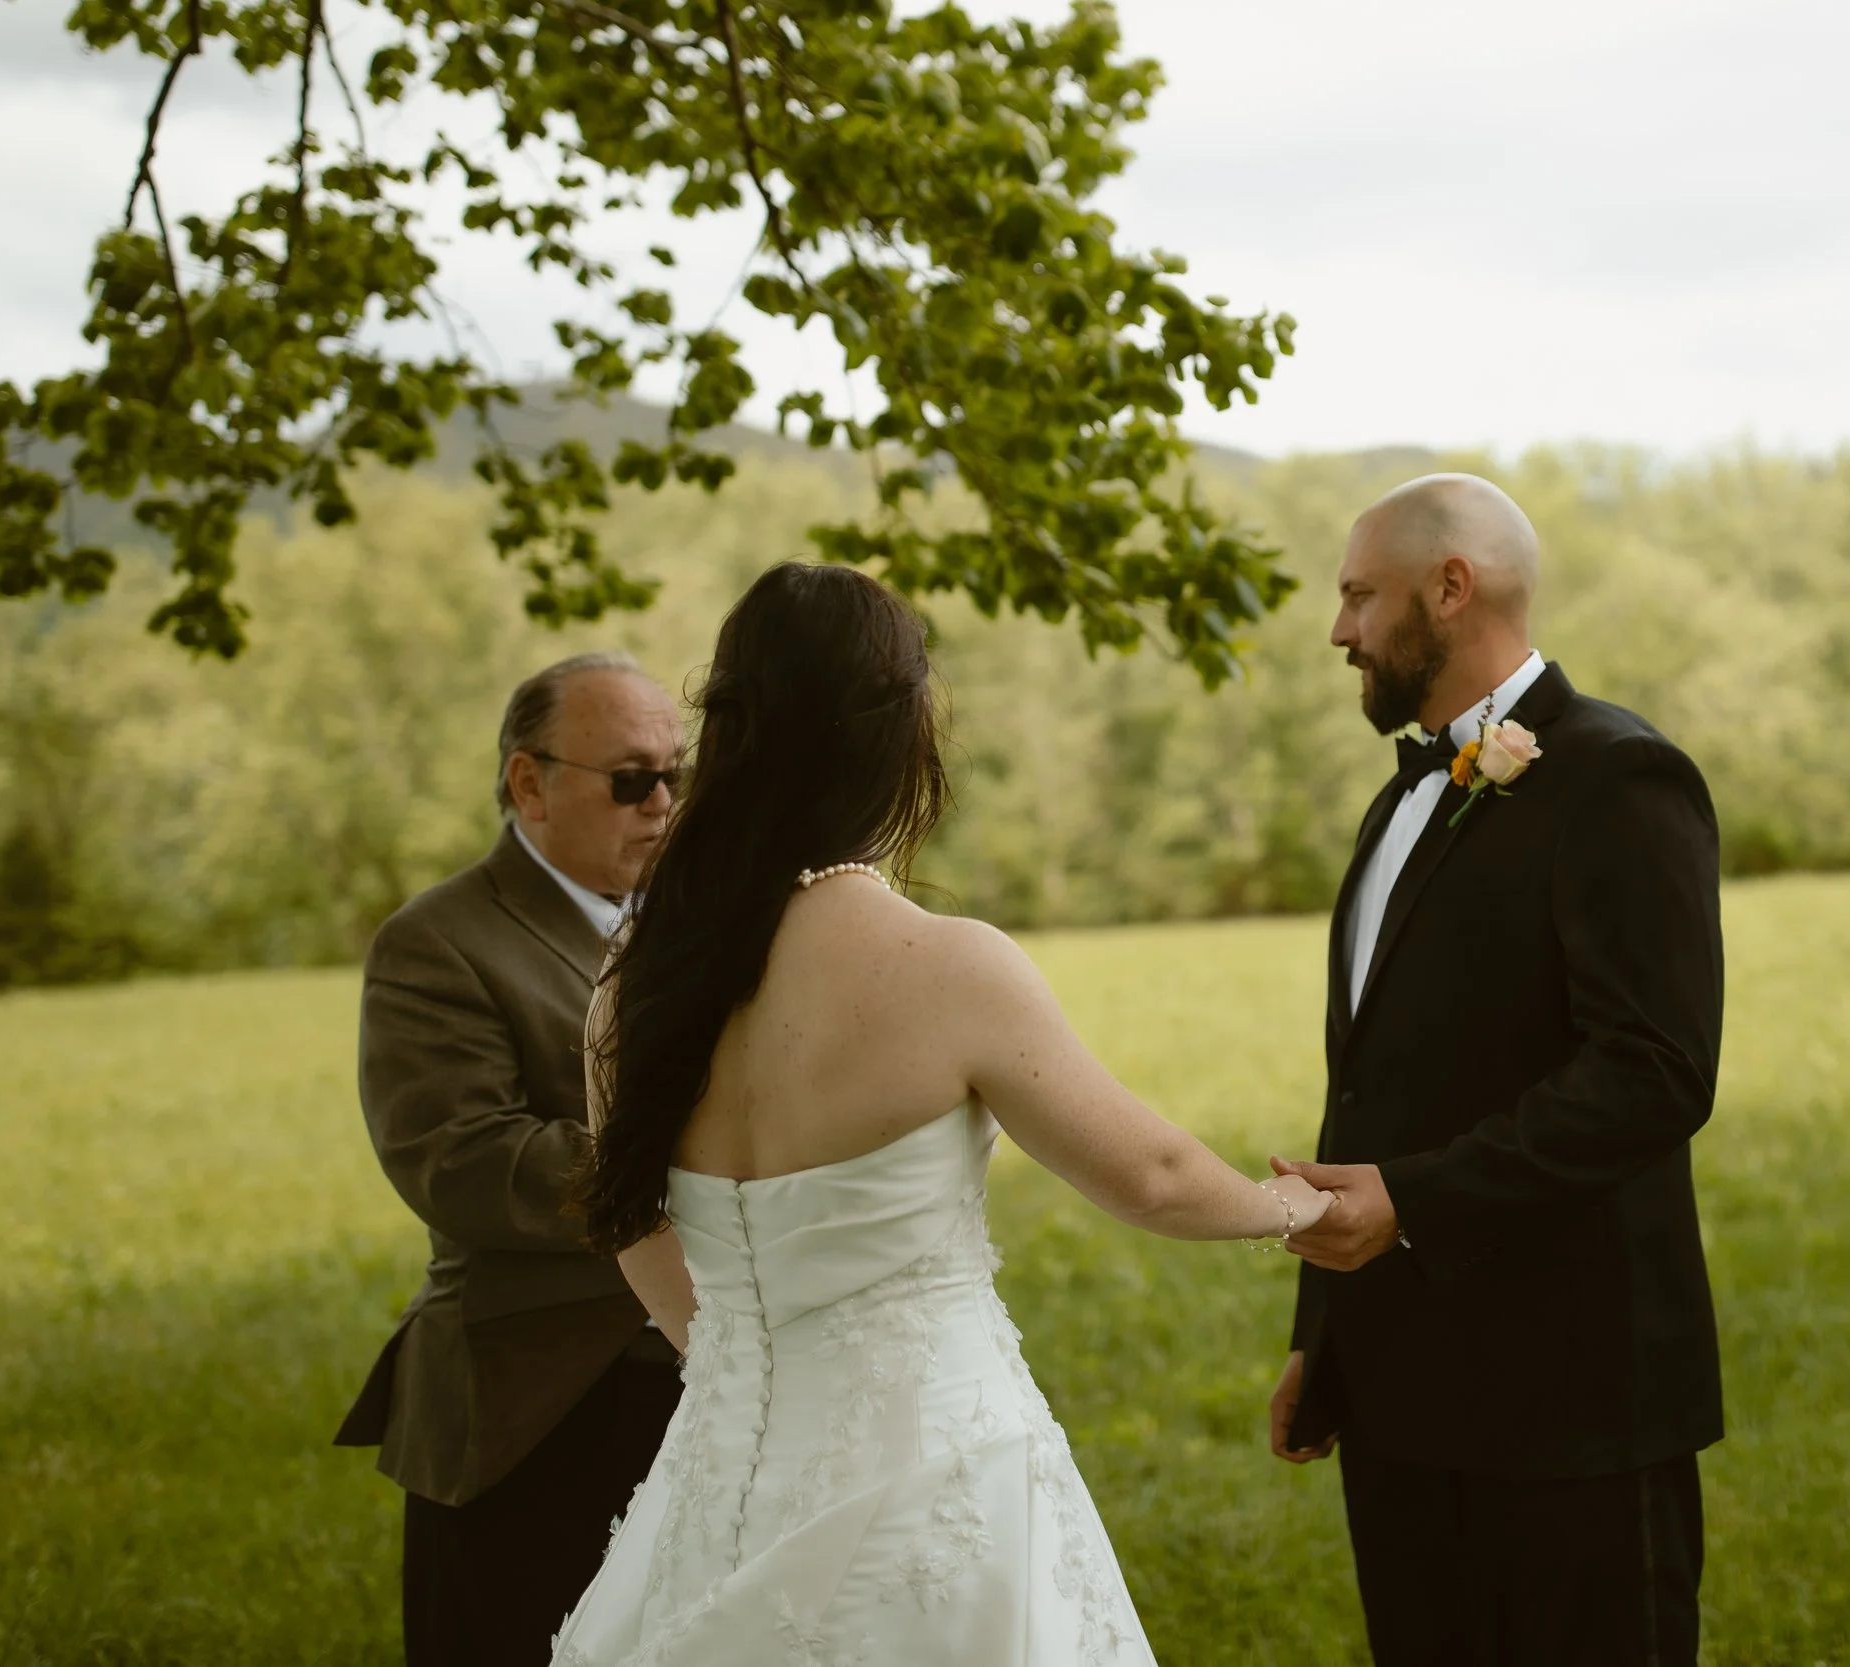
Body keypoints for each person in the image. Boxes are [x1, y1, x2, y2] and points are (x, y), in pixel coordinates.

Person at [547, 562, 1332, 1667]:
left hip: (716, 1480)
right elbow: (1149, 1171)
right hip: (935, 1468)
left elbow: (635, 1225)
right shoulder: (943, 963)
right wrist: (1291, 1207)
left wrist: (746, 1368)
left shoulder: (631, 981)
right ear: (895, 737)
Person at [1269, 475, 1727, 1666]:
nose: (1338, 630)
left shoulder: (1621, 777)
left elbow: (1654, 1070)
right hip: (1404, 1402)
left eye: (1358, 595)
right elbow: (1373, 1088)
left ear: (1450, 586)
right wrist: (1328, 1335)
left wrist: (1413, 1199)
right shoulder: (1397, 801)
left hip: (1572, 1404)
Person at [335, 651, 688, 1667]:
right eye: (630, 778)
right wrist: (699, 1171)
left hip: (697, 1381)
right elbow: (463, 1160)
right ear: (529, 784)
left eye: (676, 774)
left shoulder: (699, 929)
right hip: (530, 1405)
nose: (661, 803)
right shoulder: (436, 941)